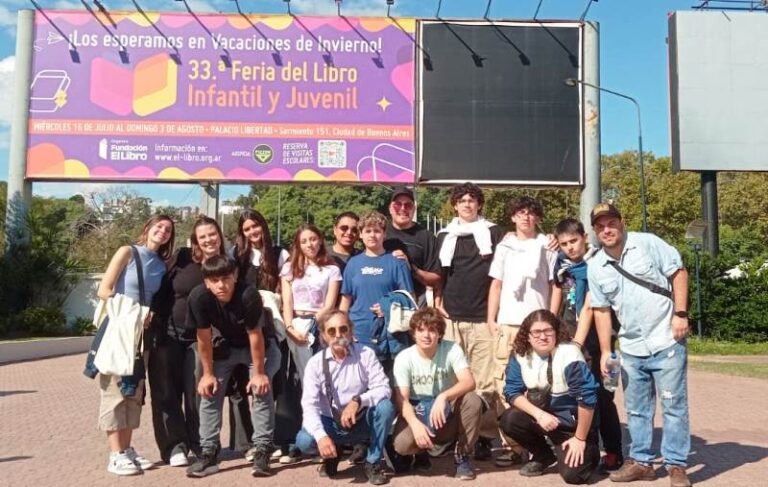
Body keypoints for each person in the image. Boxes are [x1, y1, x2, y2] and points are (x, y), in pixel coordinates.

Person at [587, 203, 692, 487]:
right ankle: (642, 462)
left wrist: (680, 314)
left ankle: (676, 465)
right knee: (636, 409)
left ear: (621, 222)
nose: (606, 230)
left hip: (666, 339)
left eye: (610, 223)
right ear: (595, 231)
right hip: (631, 347)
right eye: (600, 226)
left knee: (673, 405)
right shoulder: (596, 265)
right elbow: (601, 310)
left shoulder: (648, 243)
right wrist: (607, 351)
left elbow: (678, 273)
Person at [185, 255, 280, 478]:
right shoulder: (199, 297)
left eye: (226, 278)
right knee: (210, 390)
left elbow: (255, 336)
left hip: (259, 347)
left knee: (261, 390)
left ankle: (263, 450)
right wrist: (207, 374)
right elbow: (203, 338)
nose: (221, 285)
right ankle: (209, 452)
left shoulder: (249, 295)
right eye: (214, 280)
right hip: (225, 348)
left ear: (235, 276)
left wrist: (258, 374)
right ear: (206, 282)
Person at [96, 215, 175, 476]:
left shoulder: (161, 266)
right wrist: (136, 310)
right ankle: (115, 453)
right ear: (147, 228)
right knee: (115, 391)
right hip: (120, 330)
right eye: (159, 227)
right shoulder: (127, 252)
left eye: (167, 230)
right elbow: (104, 290)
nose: (162, 232)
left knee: (134, 392)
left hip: (142, 335)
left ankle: (127, 450)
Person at [435, 182, 505, 461]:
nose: (467, 204)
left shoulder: (494, 232)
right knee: (452, 381)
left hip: (483, 319)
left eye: (472, 199)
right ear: (454, 205)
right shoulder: (444, 235)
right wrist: (437, 300)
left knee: (485, 383)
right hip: (452, 318)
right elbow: (439, 274)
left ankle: (484, 437)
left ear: (479, 204)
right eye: (462, 200)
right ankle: (451, 435)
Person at [148, 215, 225, 467]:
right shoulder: (181, 258)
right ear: (195, 240)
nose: (208, 240)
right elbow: (157, 285)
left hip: (200, 338)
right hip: (167, 333)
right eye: (202, 236)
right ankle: (174, 446)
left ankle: (201, 443)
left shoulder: (226, 264)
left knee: (198, 393)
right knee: (166, 392)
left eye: (212, 234)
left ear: (220, 236)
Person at [486, 196, 557, 465]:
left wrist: (551, 319)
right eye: (520, 212)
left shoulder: (548, 245)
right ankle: (513, 446)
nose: (526, 217)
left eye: (531, 213)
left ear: (537, 218)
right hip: (508, 322)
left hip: (538, 323)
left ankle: (542, 438)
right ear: (513, 217)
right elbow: (496, 284)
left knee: (541, 382)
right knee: (504, 384)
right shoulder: (505, 245)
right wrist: (492, 319)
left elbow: (553, 285)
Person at [550, 218, 623, 471]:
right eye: (564, 244)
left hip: (600, 341)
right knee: (577, 394)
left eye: (574, 241)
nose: (570, 247)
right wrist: (551, 324)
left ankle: (613, 451)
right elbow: (558, 291)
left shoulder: (599, 261)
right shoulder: (562, 263)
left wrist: (578, 343)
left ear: (584, 237)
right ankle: (587, 448)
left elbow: (592, 303)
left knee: (604, 396)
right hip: (570, 336)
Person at [500, 309, 600, 484]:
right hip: (544, 420)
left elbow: (587, 399)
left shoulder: (570, 354)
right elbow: (512, 392)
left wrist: (579, 438)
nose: (543, 336)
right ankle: (543, 455)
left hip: (573, 427)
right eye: (536, 332)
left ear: (556, 332)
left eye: (548, 331)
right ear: (528, 336)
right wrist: (539, 414)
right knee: (509, 419)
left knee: (574, 476)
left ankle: (588, 450)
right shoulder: (520, 355)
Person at [295, 310, 394, 485]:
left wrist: (358, 401)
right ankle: (333, 453)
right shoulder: (315, 364)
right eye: (331, 331)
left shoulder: (366, 354)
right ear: (324, 336)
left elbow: (383, 388)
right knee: (305, 441)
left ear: (351, 330)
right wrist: (321, 437)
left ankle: (373, 462)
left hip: (361, 420)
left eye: (343, 329)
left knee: (385, 407)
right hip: (332, 424)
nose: (338, 335)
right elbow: (309, 406)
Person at [392, 307, 483, 480]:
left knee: (473, 400)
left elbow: (469, 381)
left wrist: (443, 397)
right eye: (421, 330)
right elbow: (401, 399)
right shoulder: (404, 358)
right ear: (413, 333)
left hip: (446, 409)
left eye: (432, 330)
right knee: (401, 445)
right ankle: (420, 452)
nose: (426, 335)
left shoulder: (451, 349)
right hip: (418, 410)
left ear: (440, 334)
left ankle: (463, 456)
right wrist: (415, 425)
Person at [277, 224, 342, 463]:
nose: (310, 245)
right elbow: (287, 301)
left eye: (313, 239)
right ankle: (296, 439)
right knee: (296, 383)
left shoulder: (331, 269)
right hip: (296, 327)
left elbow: (330, 302)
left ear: (320, 240)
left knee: (320, 383)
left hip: (320, 328)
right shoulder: (289, 269)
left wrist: (317, 323)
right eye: (304, 241)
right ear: (298, 244)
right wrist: (290, 326)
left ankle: (320, 437)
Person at [231, 209, 288, 457]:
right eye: (247, 229)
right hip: (242, 327)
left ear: (263, 226)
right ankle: (245, 444)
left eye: (255, 226)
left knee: (268, 384)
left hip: (269, 327)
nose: (252, 232)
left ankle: (268, 440)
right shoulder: (237, 256)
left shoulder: (279, 254)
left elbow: (286, 290)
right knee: (240, 388)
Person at [340, 211, 414, 366]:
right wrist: (345, 330)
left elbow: (409, 298)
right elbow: (345, 302)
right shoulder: (353, 264)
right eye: (367, 231)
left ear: (384, 234)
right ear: (360, 234)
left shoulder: (397, 262)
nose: (372, 235)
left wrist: (389, 308)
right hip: (359, 333)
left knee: (389, 386)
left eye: (377, 231)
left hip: (389, 335)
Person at [384, 187, 441, 305]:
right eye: (397, 204)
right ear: (390, 208)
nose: (403, 209)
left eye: (408, 205)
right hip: (382, 298)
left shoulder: (426, 237)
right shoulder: (380, 232)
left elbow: (436, 279)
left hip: (415, 302)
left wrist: (411, 268)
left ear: (414, 209)